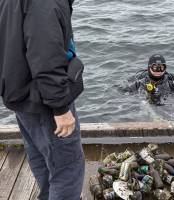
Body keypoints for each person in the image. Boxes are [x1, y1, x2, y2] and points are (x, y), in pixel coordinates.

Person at [0, 0, 85, 199]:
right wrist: (61, 108)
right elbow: (46, 57)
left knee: (42, 158)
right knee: (68, 169)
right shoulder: (43, 3)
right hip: (44, 101)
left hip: (21, 94)